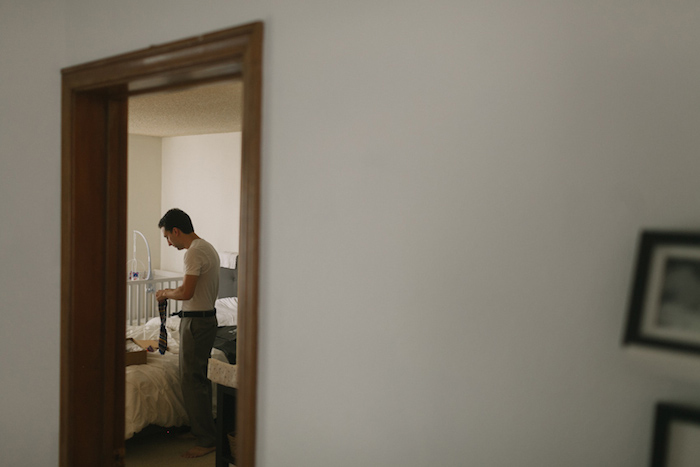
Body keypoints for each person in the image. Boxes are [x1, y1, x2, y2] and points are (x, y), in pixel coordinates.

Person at [155, 208, 219, 458]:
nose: (168, 243)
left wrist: (165, 293)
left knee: (191, 380)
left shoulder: (193, 253)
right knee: (197, 378)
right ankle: (200, 428)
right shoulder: (207, 248)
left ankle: (206, 438)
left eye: (167, 238)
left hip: (196, 323)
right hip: (204, 319)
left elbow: (187, 293)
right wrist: (174, 290)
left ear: (175, 231)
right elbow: (190, 287)